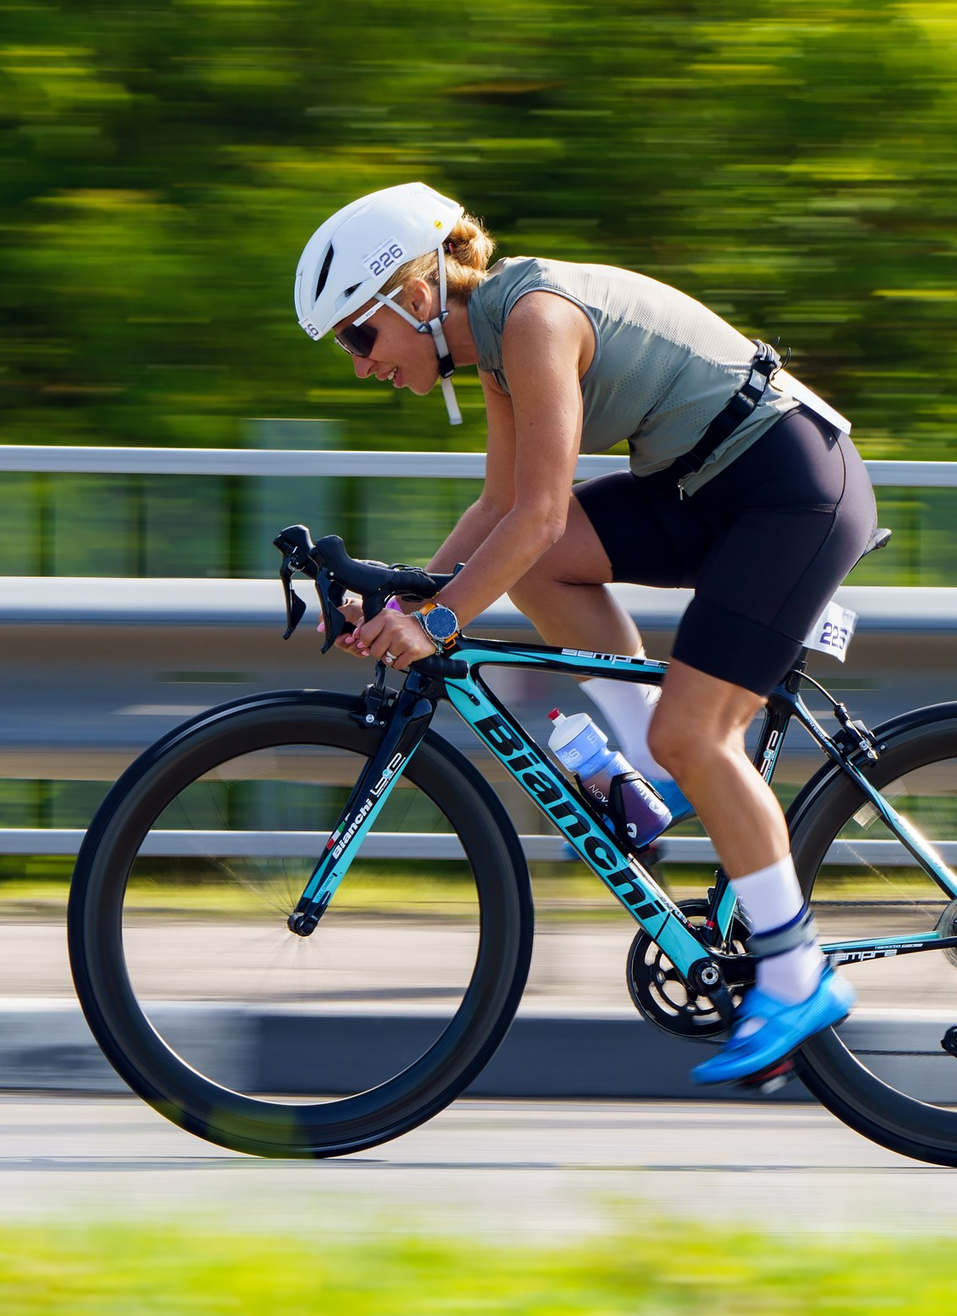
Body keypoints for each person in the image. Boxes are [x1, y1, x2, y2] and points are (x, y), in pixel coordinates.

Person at [292, 181, 878, 1084]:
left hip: (788, 488)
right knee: (542, 564)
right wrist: (406, 601)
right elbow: (500, 510)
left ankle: (796, 972)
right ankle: (650, 766)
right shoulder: (489, 342)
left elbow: (535, 509)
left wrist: (442, 619)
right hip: (710, 486)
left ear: (412, 295)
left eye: (358, 336)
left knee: (696, 730)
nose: (360, 364)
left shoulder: (530, 320)